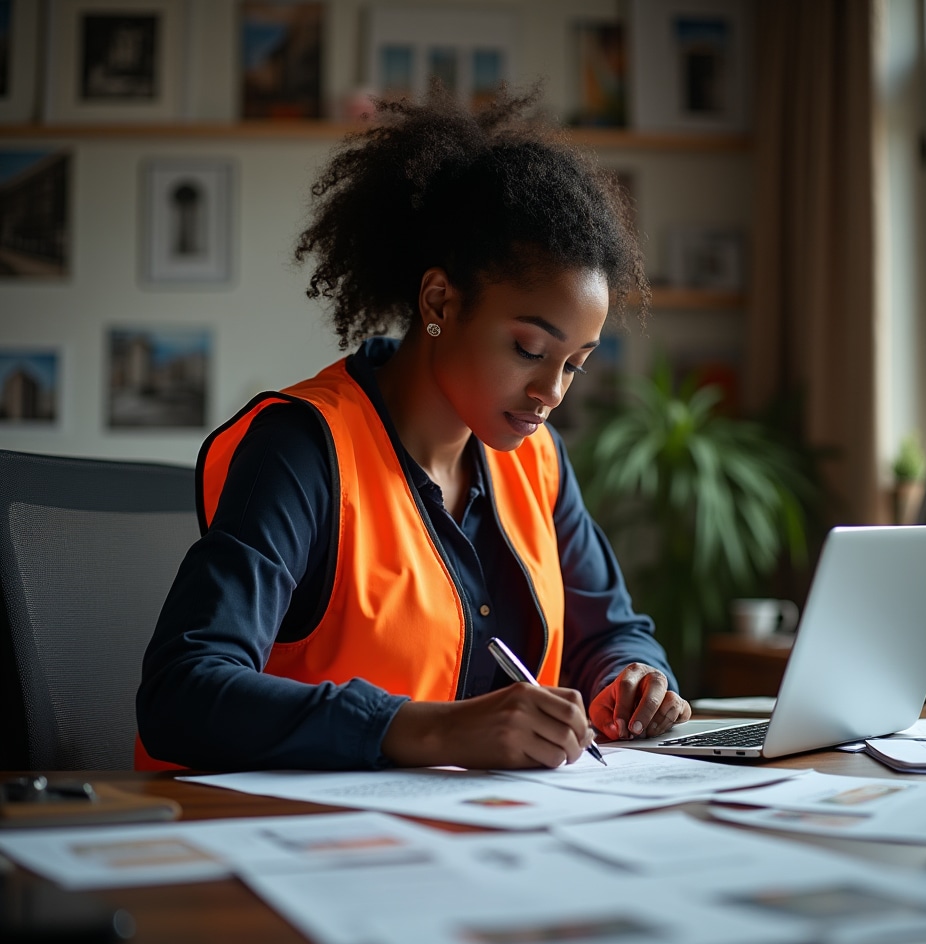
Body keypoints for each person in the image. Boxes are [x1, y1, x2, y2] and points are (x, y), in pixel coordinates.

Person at [135, 86, 690, 773]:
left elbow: (607, 631)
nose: (551, 392)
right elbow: (181, 693)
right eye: (527, 349)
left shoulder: (537, 460)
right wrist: (431, 731)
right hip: (283, 845)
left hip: (480, 843)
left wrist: (632, 679)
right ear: (439, 301)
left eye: (574, 364)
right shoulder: (303, 449)